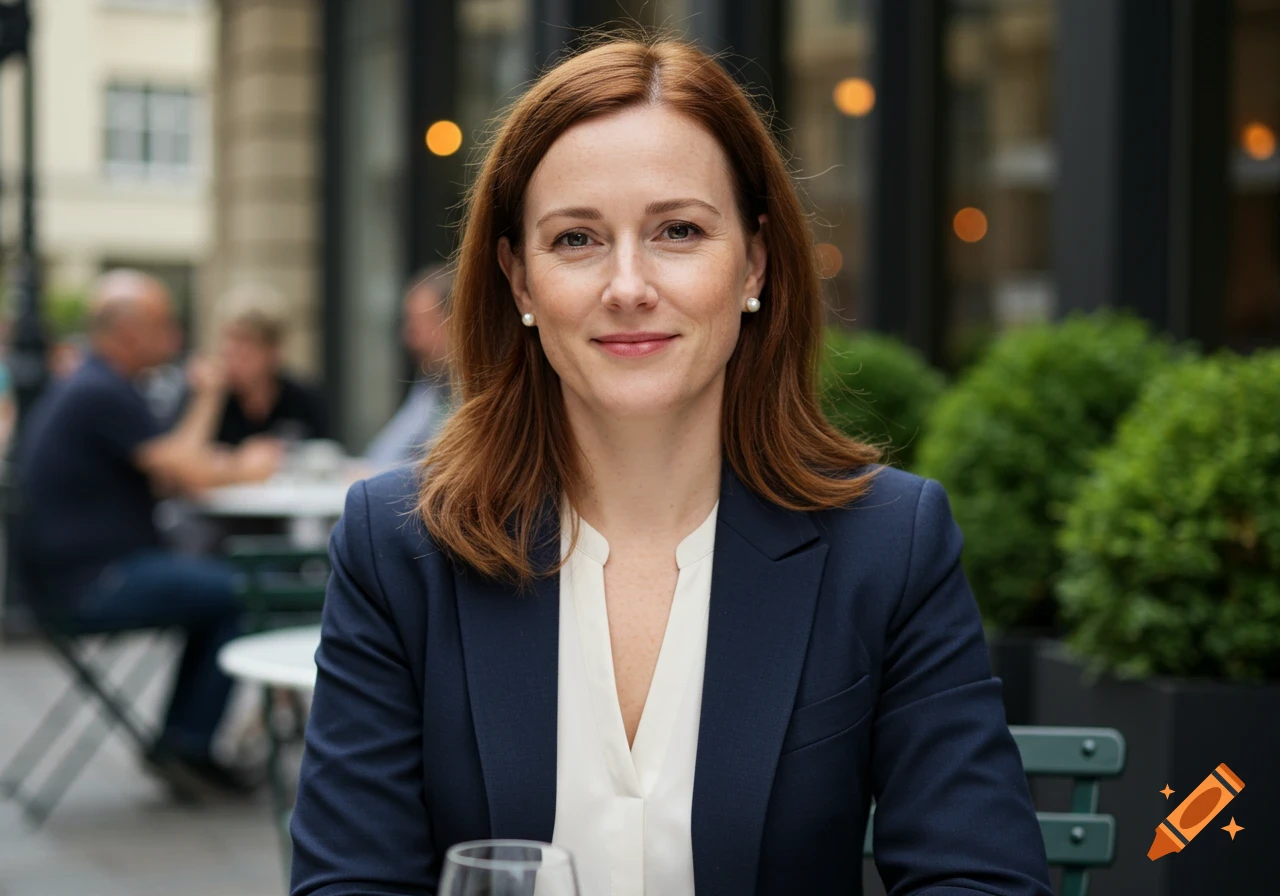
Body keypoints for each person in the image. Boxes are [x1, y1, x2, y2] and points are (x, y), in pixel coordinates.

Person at [289, 36, 1052, 896]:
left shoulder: (887, 546)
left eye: (678, 231)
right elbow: (350, 882)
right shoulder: (402, 548)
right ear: (520, 281)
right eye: (576, 238)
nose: (628, 286)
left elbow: (980, 878)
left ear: (755, 262)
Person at [15, 268, 283, 793]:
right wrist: (211, 398)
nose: (176, 336)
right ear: (128, 332)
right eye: (164, 324)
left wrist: (219, 465)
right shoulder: (102, 392)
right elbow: (188, 473)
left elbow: (174, 469)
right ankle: (186, 743)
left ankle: (185, 742)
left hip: (77, 576)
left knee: (224, 587)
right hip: (95, 582)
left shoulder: (97, 385)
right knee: (248, 590)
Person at [213, 282, 330, 446]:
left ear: (272, 350)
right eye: (228, 342)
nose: (230, 354)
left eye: (243, 344)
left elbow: (324, 452)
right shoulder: (213, 398)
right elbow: (182, 454)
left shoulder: (304, 400)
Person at [363, 265, 454, 467]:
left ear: (452, 323)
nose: (408, 339)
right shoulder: (432, 383)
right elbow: (383, 454)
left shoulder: (478, 392)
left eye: (416, 326)